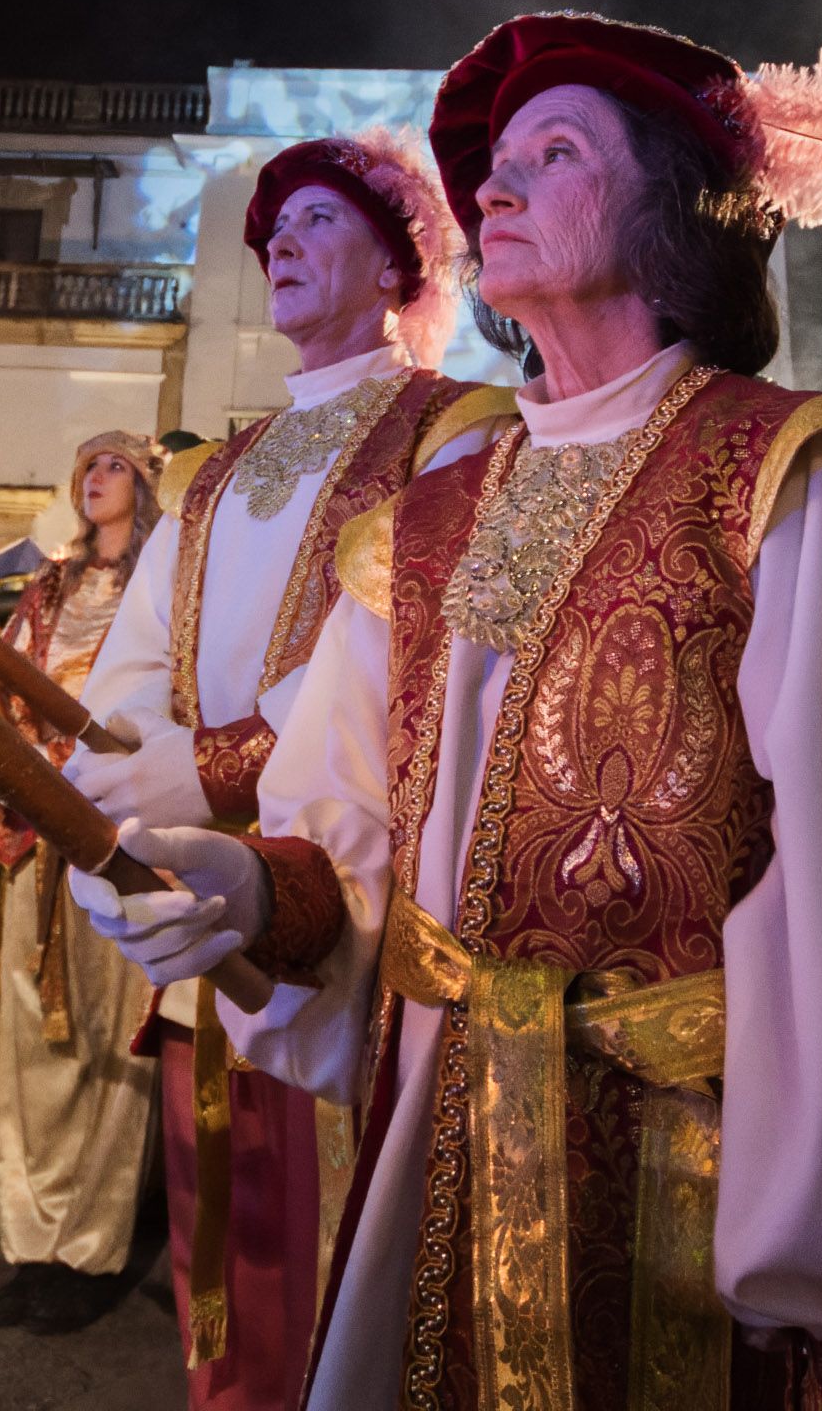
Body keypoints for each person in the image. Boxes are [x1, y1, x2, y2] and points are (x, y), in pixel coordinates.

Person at [78, 17, 822, 1409]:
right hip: (456, 1137)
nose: (493, 190)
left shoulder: (800, 477)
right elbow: (344, 835)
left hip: (706, 1175)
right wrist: (241, 884)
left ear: (675, 207)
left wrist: (821, 1247)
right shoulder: (418, 531)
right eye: (490, 169)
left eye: (555, 153)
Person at [64, 129, 509, 1399]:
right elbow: (135, 660)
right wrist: (133, 779)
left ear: (398, 265)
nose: (283, 246)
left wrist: (212, 767)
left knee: (339, 1265)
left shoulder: (458, 430)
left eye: (318, 221)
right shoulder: (212, 472)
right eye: (275, 232)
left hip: (352, 901)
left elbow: (406, 658)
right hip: (200, 900)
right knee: (232, 1257)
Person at [0, 430, 165, 1335]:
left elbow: (171, 694)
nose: (96, 479)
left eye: (116, 465)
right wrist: (20, 755)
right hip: (31, 824)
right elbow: (4, 687)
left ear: (147, 483)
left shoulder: (167, 578)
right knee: (30, 1034)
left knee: (111, 1033)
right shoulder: (47, 586)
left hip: (117, 828)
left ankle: (91, 1246)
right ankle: (29, 1237)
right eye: (88, 466)